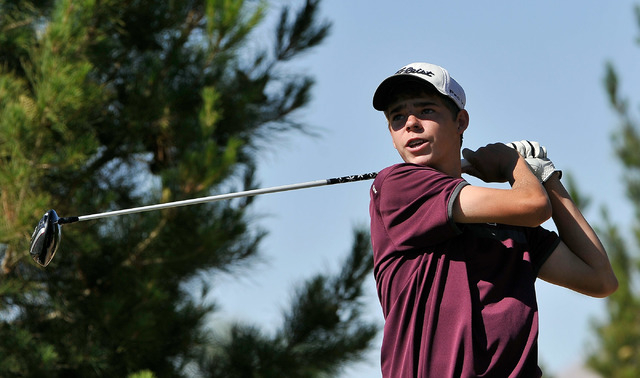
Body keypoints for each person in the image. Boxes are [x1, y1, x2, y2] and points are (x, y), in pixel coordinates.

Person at [369, 62, 618, 377]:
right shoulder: (397, 186)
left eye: (426, 110)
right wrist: (511, 163)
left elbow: (600, 278)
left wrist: (547, 176)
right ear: (392, 136)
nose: (411, 124)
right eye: (397, 117)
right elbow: (532, 205)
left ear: (461, 121)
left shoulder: (509, 226)